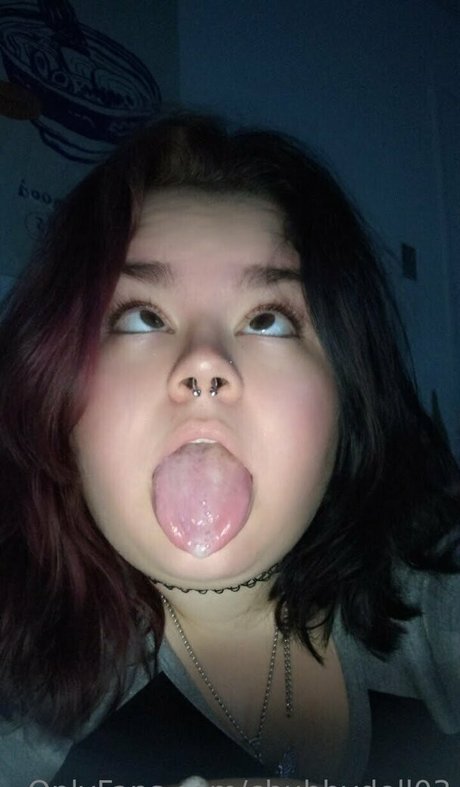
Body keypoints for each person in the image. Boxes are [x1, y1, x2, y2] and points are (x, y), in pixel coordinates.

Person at [0, 112, 459, 787]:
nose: (204, 363)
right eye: (142, 317)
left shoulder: (440, 599)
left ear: (347, 393)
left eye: (267, 320)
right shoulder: (23, 726)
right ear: (58, 399)